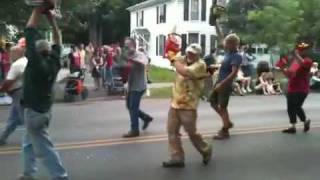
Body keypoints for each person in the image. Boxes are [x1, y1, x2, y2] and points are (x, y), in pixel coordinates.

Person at [19, 8, 69, 180]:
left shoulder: (36, 64)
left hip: (34, 112)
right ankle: (28, 174)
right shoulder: (54, 61)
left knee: (44, 149)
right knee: (28, 144)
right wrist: (51, 19)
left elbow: (30, 32)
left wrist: (36, 10)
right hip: (44, 110)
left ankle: (60, 176)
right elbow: (58, 39)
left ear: (37, 52)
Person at [162, 43, 212, 168]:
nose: (190, 54)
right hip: (175, 103)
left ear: (198, 55)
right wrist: (169, 50)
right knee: (172, 131)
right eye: (189, 52)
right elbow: (171, 57)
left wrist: (173, 58)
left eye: (193, 53)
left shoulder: (201, 65)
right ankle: (177, 158)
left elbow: (184, 72)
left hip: (189, 105)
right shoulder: (182, 59)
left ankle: (206, 149)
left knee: (192, 133)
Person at [210, 34, 242, 140]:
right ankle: (227, 122)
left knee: (223, 107)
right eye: (226, 43)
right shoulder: (228, 52)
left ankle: (225, 130)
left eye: (228, 43)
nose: (226, 44)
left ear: (234, 44)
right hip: (219, 81)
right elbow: (221, 37)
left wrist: (222, 84)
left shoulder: (236, 56)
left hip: (225, 84)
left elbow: (233, 73)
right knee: (213, 102)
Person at [278, 42, 313, 134]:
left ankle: (305, 121)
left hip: (301, 89)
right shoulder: (295, 62)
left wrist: (296, 55)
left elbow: (304, 64)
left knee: (296, 106)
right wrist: (282, 68)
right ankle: (292, 126)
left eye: (303, 49)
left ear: (306, 51)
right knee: (290, 107)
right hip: (292, 87)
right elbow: (289, 75)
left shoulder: (308, 61)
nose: (301, 51)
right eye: (300, 49)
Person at [122, 37, 153, 138]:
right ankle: (146, 118)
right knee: (129, 107)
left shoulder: (139, 55)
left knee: (133, 108)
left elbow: (144, 63)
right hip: (130, 85)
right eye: (125, 45)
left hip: (138, 86)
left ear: (133, 46)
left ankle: (134, 130)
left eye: (128, 45)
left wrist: (131, 60)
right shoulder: (127, 55)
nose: (126, 46)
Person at [0, 45, 27, 146]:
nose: (10, 55)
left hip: (19, 93)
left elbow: (8, 82)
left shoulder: (17, 64)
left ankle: (33, 139)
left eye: (11, 53)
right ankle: (2, 138)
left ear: (17, 53)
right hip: (21, 92)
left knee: (24, 118)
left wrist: (2, 89)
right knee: (14, 118)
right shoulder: (25, 61)